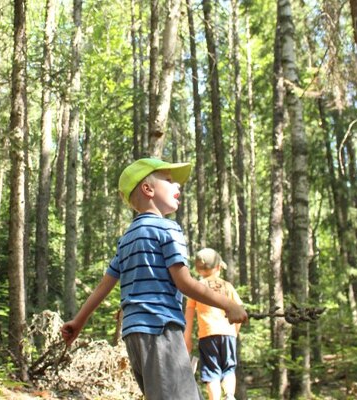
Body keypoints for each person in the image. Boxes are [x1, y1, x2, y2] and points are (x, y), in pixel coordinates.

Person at [61, 158, 248, 400]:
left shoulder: (127, 238)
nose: (177, 186)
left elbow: (104, 285)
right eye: (169, 181)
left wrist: (78, 321)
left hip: (133, 334)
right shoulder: (167, 229)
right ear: (147, 189)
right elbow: (185, 283)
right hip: (160, 329)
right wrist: (228, 304)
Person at [183, 248, 242, 400]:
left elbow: (189, 314)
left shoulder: (196, 288)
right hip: (228, 333)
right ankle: (229, 396)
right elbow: (238, 311)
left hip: (208, 334)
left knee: (212, 372)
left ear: (198, 269)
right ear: (217, 267)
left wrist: (187, 338)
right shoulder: (227, 286)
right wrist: (235, 332)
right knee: (229, 368)